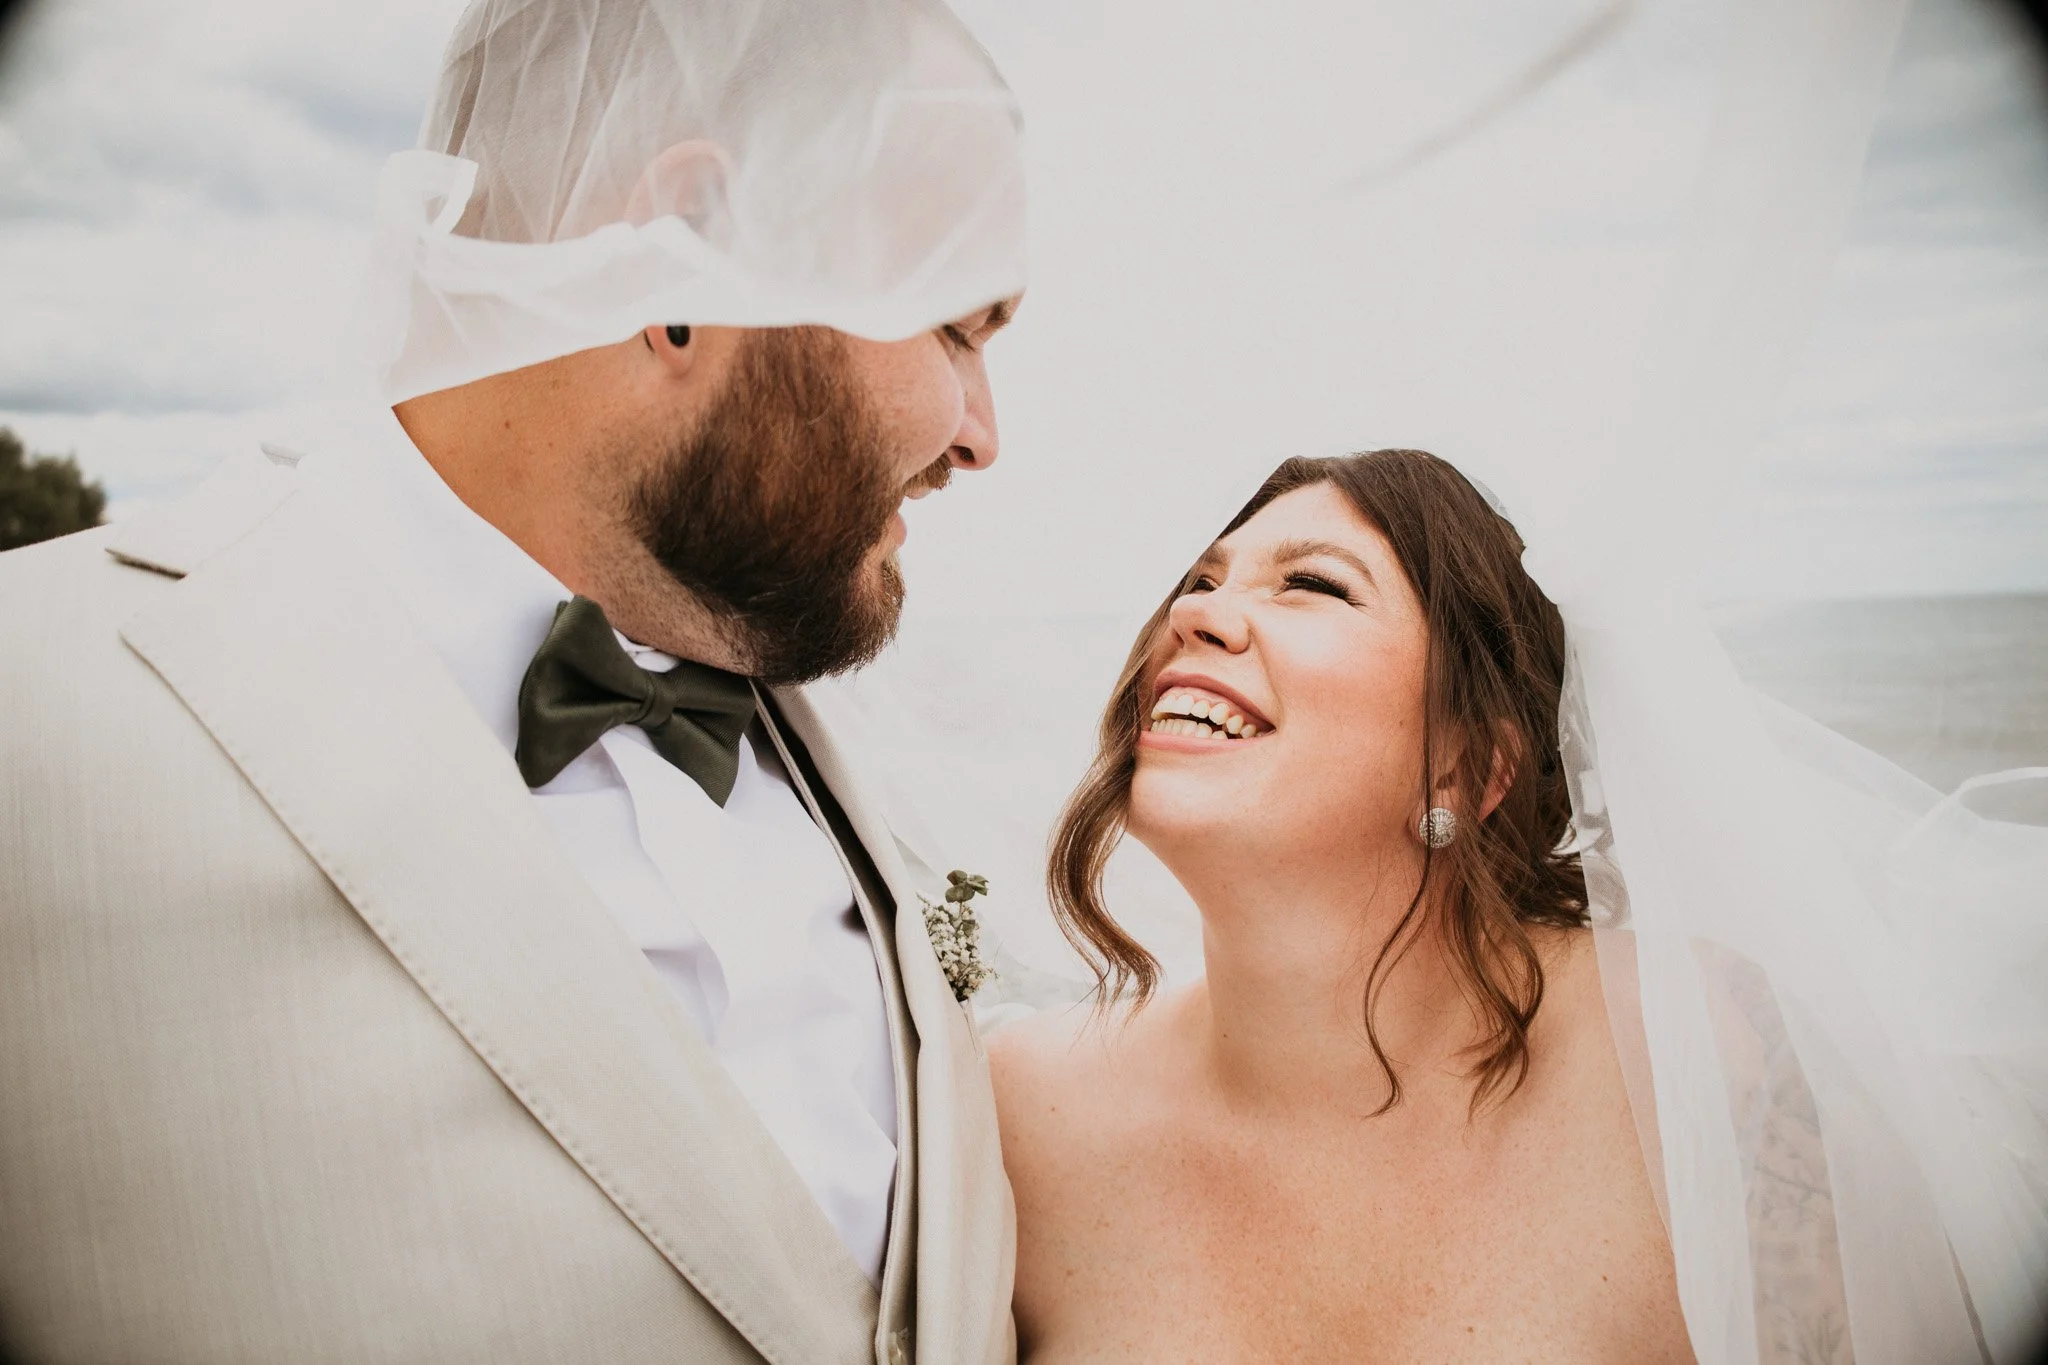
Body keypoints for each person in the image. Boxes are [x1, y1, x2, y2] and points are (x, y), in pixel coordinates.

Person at [0, 1, 1025, 1362]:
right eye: (957, 327)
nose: (985, 437)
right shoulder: (37, 715)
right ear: (698, 257)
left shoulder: (883, 759)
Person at [990, 449, 2044, 1363]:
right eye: (1196, 579)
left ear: (1470, 763)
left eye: (1309, 584)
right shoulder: (1019, 1115)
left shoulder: (1703, 1062)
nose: (1191, 612)